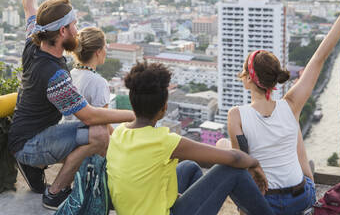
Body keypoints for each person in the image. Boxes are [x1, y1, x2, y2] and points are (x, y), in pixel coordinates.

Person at [7, 0, 135, 210]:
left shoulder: (35, 39)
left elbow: (30, 5)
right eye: (74, 24)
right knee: (98, 135)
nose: (78, 29)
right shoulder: (55, 75)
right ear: (63, 31)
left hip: (26, 133)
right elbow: (89, 117)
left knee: (91, 133)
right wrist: (135, 115)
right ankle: (55, 192)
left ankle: (37, 165)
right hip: (30, 142)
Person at [227, 0, 340, 215]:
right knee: (294, 130)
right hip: (300, 199)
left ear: (249, 79)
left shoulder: (236, 115)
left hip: (264, 203)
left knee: (226, 149)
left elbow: (242, 164)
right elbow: (319, 58)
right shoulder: (290, 105)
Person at [106, 62, 275, 215]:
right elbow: (234, 158)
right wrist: (254, 163)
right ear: (164, 108)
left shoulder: (119, 133)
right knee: (231, 170)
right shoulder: (163, 142)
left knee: (189, 168)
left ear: (132, 103)